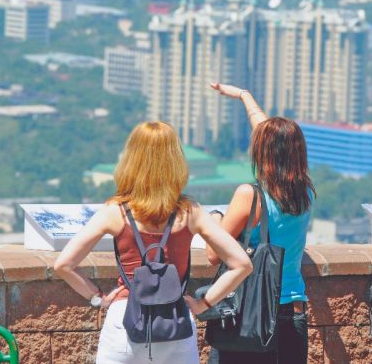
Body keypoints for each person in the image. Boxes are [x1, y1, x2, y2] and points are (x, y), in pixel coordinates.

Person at [54, 121, 253, 364]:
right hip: (175, 321)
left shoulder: (115, 211)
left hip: (125, 319)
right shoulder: (191, 212)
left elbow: (63, 264)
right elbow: (242, 264)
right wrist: (204, 304)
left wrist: (98, 297)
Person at [206, 83, 315, 364]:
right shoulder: (305, 192)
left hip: (251, 315)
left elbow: (213, 255)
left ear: (263, 152)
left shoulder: (249, 196)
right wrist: (245, 96)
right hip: (293, 312)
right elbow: (273, 136)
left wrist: (215, 219)